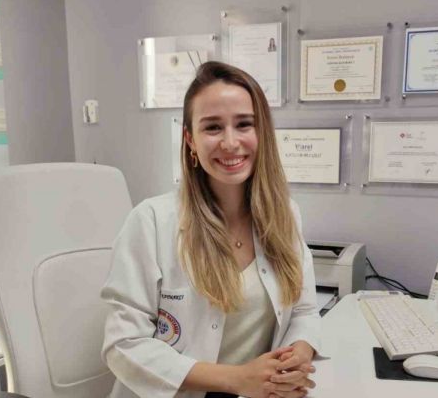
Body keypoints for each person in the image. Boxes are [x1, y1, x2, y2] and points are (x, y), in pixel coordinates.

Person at [101, 61, 321, 398]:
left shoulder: (285, 215)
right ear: (190, 140)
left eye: (244, 124)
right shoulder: (151, 221)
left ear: (262, 133)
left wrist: (297, 356)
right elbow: (123, 345)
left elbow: (304, 310)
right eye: (213, 127)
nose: (230, 143)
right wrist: (236, 379)